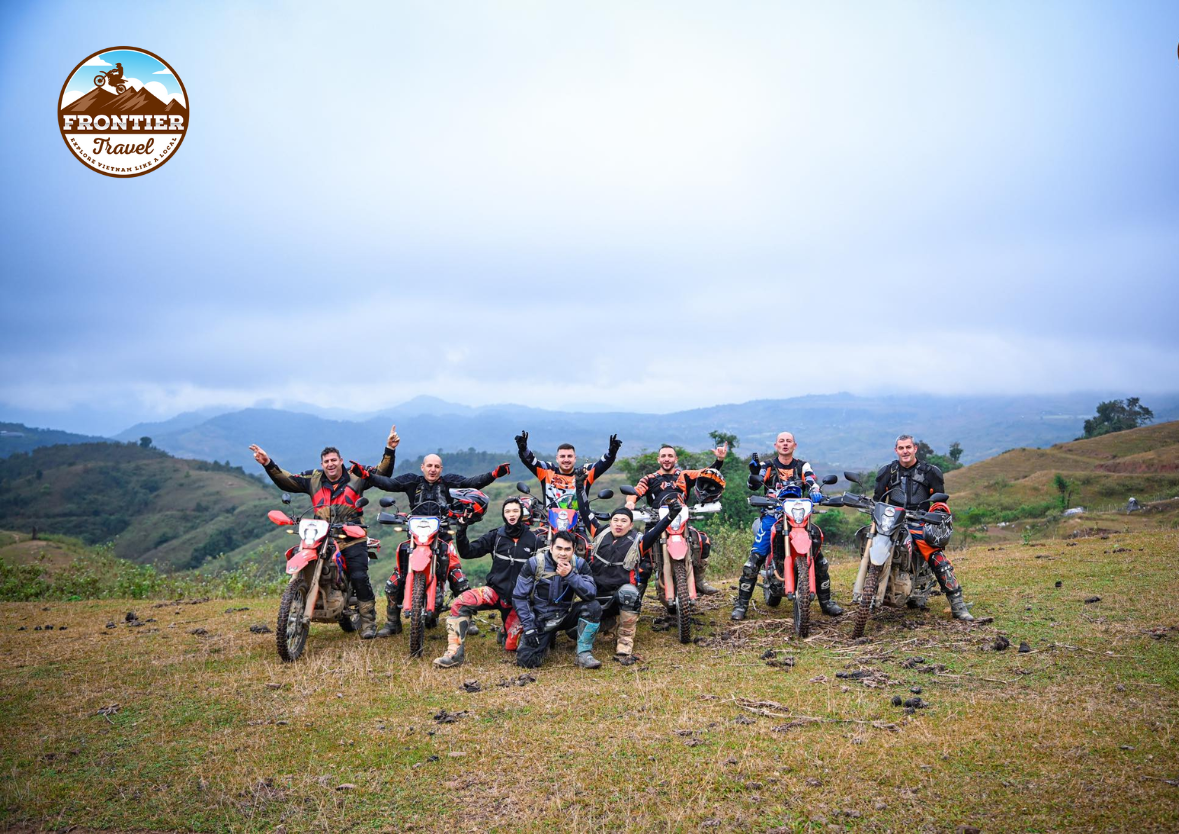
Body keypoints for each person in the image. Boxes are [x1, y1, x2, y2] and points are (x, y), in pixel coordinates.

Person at [248, 425, 398, 639]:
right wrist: (267, 463)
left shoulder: (356, 474)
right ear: (322, 464)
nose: (330, 464)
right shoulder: (314, 478)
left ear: (341, 461)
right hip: (320, 535)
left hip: (351, 534)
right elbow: (288, 481)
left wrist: (390, 449)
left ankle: (368, 622)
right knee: (300, 558)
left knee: (358, 575)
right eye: (326, 461)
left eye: (334, 460)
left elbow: (382, 473)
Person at [353, 450, 512, 637]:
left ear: (441, 469)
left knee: (459, 579)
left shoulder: (449, 482)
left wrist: (494, 474)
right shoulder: (412, 481)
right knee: (393, 582)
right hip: (416, 539)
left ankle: (467, 620)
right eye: (429, 465)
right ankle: (393, 622)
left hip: (443, 536)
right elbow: (389, 483)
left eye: (436, 466)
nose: (433, 469)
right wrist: (366, 475)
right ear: (423, 467)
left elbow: (472, 482)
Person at [732, 431, 843, 621]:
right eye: (781, 441)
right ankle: (741, 604)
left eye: (788, 441)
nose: (785, 444)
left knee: (819, 560)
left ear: (794, 445)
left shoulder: (802, 465)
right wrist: (753, 474)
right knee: (754, 559)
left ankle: (826, 602)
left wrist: (815, 491)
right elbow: (753, 485)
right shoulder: (767, 465)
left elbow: (811, 480)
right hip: (772, 515)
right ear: (776, 445)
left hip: (798, 517)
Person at [579, 472, 679, 664]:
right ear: (610, 521)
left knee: (629, 594)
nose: (619, 524)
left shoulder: (639, 541)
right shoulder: (599, 533)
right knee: (572, 629)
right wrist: (579, 486)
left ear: (631, 525)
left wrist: (670, 516)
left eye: (623, 521)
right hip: (595, 592)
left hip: (621, 595)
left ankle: (624, 642)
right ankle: (604, 624)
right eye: (616, 520)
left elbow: (657, 530)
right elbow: (584, 510)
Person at [873, 434, 974, 621]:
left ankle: (957, 604)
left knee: (937, 558)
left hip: (919, 522)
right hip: (892, 522)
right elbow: (877, 500)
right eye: (901, 448)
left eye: (908, 447)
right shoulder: (887, 472)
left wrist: (933, 516)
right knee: (871, 544)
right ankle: (870, 593)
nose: (905, 451)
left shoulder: (930, 472)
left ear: (915, 449)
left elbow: (940, 503)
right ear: (896, 450)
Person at [433, 496, 541, 667]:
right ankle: (454, 654)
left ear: (522, 513)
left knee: (510, 646)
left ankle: (506, 630)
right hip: (494, 592)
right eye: (508, 511)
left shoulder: (534, 540)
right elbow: (468, 552)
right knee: (460, 603)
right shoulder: (496, 535)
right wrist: (462, 530)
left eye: (515, 511)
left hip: (519, 600)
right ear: (503, 514)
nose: (512, 514)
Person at [624, 441, 728, 594]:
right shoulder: (650, 478)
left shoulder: (684, 475)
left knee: (703, 541)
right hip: (655, 523)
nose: (667, 459)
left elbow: (706, 474)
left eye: (670, 456)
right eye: (663, 456)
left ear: (676, 459)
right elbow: (636, 492)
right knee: (644, 557)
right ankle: (636, 596)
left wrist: (719, 460)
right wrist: (630, 503)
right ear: (658, 459)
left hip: (680, 522)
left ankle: (699, 580)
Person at [512, 530, 601, 669]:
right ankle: (546, 639)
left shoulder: (580, 564)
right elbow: (519, 597)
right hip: (541, 618)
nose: (563, 553)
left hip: (566, 614)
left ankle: (584, 654)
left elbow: (590, 594)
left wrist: (570, 575)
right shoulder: (534, 564)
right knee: (527, 662)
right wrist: (529, 627)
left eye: (567, 549)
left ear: (573, 550)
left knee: (593, 606)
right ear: (551, 547)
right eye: (559, 548)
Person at [514, 431, 621, 545]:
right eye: (562, 456)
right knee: (531, 543)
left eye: (569, 456)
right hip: (548, 524)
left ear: (575, 458)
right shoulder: (547, 471)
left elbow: (601, 464)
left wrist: (611, 452)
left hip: (577, 525)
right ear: (557, 458)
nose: (566, 459)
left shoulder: (583, 472)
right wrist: (523, 449)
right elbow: (531, 461)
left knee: (587, 548)